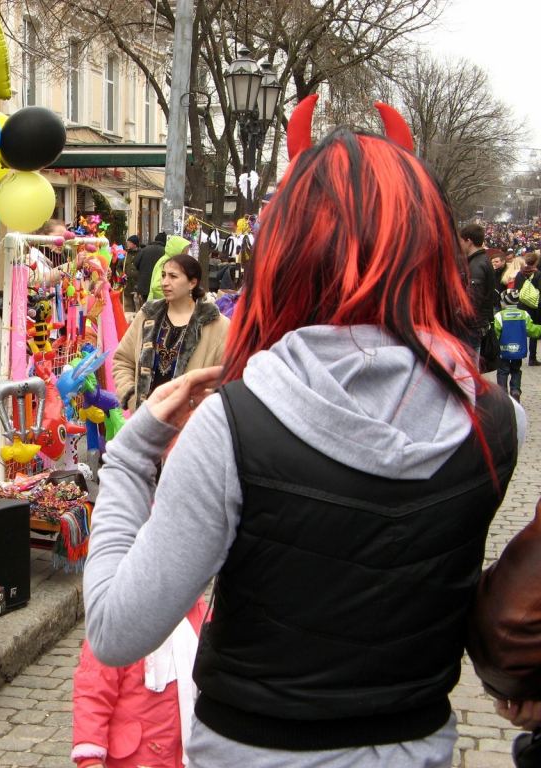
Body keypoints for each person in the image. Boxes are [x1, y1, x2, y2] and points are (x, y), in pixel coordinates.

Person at [85, 120, 524, 768]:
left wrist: (129, 456)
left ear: (289, 248)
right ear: (429, 243)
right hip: (419, 745)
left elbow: (119, 629)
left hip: (256, 749)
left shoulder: (235, 425)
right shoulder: (499, 420)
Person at [72, 599, 206, 768]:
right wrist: (90, 759)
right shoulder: (118, 620)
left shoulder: (199, 612)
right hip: (135, 757)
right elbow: (93, 692)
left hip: (189, 753)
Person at [113, 253, 229, 411]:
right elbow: (122, 360)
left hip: (189, 428)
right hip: (146, 422)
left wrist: (198, 410)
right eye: (163, 275)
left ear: (192, 283)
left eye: (173, 276)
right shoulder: (147, 315)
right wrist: (132, 398)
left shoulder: (216, 325)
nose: (165, 282)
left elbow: (225, 379)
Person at [493, 288, 541, 402]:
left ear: (503, 302)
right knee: (516, 370)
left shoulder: (499, 316)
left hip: (503, 351)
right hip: (518, 350)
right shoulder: (524, 314)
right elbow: (531, 330)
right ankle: (515, 391)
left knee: (502, 371)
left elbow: (496, 333)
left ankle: (502, 393)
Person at [459, 222, 497, 362]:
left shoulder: (477, 265)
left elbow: (472, 300)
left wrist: (456, 315)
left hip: (471, 326)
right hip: (474, 324)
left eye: (461, 241)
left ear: (468, 241)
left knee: (468, 369)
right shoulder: (479, 261)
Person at [516, 252, 541, 365]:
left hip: (522, 305)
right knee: (533, 332)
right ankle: (532, 358)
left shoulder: (520, 274)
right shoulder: (538, 274)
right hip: (534, 306)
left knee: (520, 331)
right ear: (536, 262)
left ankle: (517, 355)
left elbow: (516, 289)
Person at [147, 235, 191, 300]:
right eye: (185, 251)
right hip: (159, 305)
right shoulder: (167, 262)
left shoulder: (170, 260)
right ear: (177, 249)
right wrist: (173, 298)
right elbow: (157, 287)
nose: (187, 254)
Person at [135, 233, 165, 304]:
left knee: (146, 306)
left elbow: (136, 263)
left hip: (144, 283)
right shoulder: (165, 251)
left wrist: (142, 270)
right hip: (158, 285)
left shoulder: (144, 249)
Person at [123, 234, 141, 311]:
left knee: (138, 307)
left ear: (134, 244)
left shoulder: (141, 253)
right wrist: (121, 274)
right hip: (127, 285)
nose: (127, 244)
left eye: (129, 242)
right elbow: (119, 266)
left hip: (137, 285)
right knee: (127, 307)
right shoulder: (125, 254)